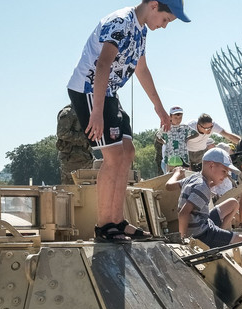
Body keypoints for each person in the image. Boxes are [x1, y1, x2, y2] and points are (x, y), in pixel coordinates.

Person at [67, 0, 190, 241]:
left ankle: (117, 220)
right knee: (113, 157)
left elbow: (141, 69)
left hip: (109, 92)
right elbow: (103, 64)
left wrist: (159, 108)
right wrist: (97, 112)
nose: (165, 26)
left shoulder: (141, 29)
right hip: (89, 90)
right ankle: (104, 226)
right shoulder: (121, 22)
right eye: (166, 20)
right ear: (154, 5)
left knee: (128, 151)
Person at [176, 148, 242, 247]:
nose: (225, 177)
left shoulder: (194, 178)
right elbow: (184, 213)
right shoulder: (202, 187)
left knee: (233, 202)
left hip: (202, 222)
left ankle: (222, 231)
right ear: (211, 166)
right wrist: (183, 240)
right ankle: (221, 238)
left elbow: (169, 186)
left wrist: (176, 173)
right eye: (224, 171)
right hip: (202, 233)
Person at [157, 106, 197, 171]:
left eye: (180, 117)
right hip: (170, 155)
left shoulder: (184, 127)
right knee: (170, 174)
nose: (178, 120)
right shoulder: (166, 127)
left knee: (184, 173)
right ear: (170, 117)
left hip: (183, 155)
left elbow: (196, 133)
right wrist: (164, 142)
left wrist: (187, 139)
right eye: (175, 118)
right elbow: (157, 137)